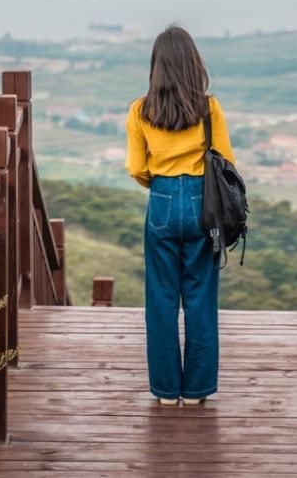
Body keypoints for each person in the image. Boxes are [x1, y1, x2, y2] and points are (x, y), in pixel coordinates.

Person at [124, 24, 235, 407]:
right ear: (193, 65)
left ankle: (166, 392)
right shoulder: (210, 108)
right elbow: (225, 162)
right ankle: (197, 391)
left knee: (162, 301)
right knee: (201, 299)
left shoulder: (140, 111)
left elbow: (137, 168)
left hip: (162, 201)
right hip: (204, 205)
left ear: (156, 66)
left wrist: (162, 183)